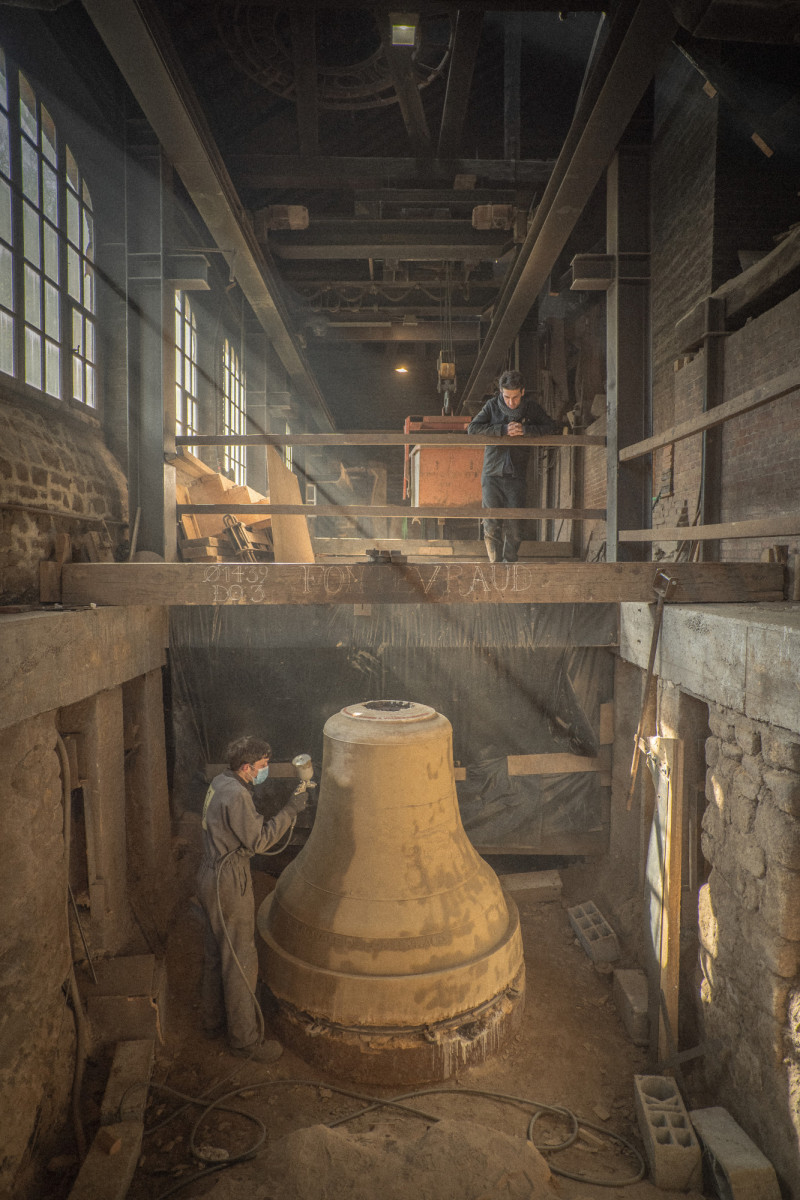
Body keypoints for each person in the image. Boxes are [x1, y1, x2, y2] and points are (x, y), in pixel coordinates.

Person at [197, 735, 311, 1063]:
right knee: (240, 960)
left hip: (209, 873)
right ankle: (245, 1041)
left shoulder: (221, 782)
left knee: (216, 953)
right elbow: (260, 841)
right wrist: (291, 809)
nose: (264, 772)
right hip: (229, 880)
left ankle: (211, 1021)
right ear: (246, 767)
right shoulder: (237, 797)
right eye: (262, 767)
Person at [467, 369, 560, 563]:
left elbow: (551, 427)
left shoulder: (531, 408)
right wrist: (501, 430)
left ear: (523, 392)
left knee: (516, 526)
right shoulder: (491, 406)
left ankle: (510, 563)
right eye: (507, 396)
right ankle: (495, 565)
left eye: (515, 397)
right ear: (501, 391)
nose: (511, 402)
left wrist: (526, 431)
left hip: (516, 476)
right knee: (491, 524)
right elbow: (473, 429)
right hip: (492, 474)